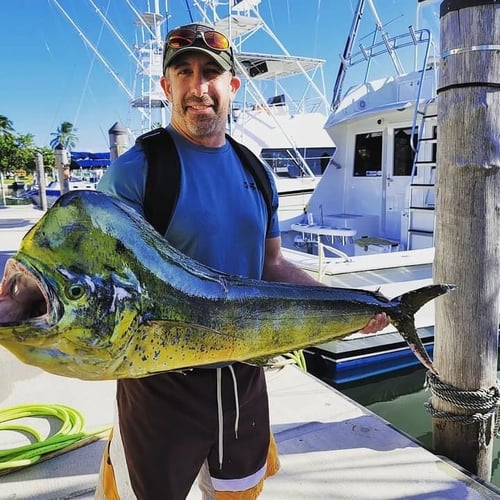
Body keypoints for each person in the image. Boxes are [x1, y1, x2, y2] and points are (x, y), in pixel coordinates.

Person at [95, 22, 389, 500]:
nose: (198, 86)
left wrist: (349, 308)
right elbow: (101, 275)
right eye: (184, 72)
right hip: (159, 387)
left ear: (232, 86)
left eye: (211, 72)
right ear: (166, 86)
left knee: (241, 493)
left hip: (243, 380)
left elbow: (271, 266)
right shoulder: (135, 171)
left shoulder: (257, 171)